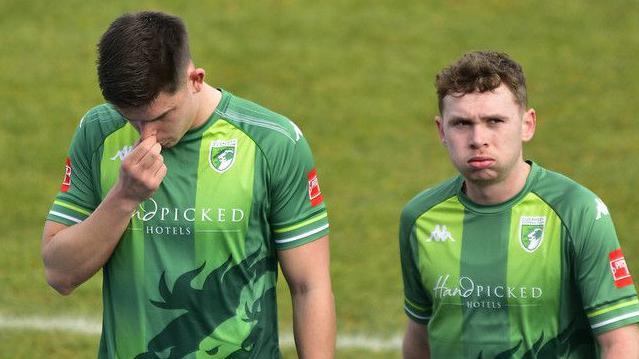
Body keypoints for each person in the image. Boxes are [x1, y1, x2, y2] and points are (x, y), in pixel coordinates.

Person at [41, 11, 335, 358]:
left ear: (194, 79)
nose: (145, 135)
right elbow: (59, 273)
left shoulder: (273, 144)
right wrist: (124, 197)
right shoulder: (98, 132)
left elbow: (309, 286)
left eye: (160, 117)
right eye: (130, 119)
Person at [399, 51, 639, 358]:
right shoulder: (419, 218)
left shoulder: (578, 212)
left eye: (494, 121)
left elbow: (620, 341)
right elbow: (419, 334)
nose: (478, 138)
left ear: (527, 124)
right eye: (461, 123)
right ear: (441, 131)